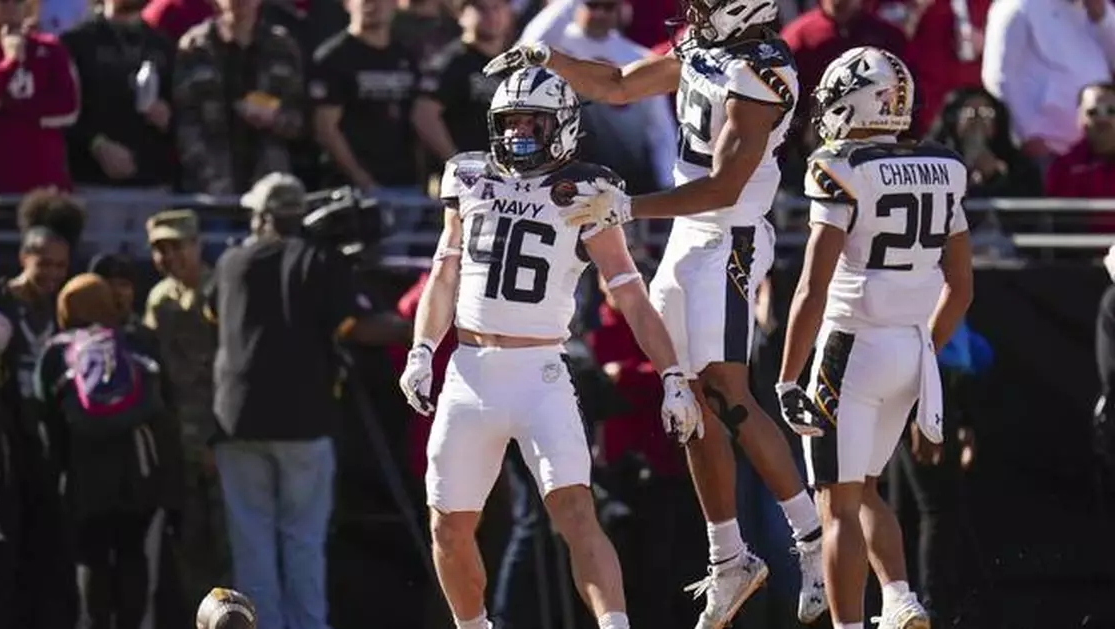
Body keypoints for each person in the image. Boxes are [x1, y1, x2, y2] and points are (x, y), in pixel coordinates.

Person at [481, 1, 827, 625]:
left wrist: (627, 207)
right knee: (688, 402)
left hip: (729, 235)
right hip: (688, 237)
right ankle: (729, 558)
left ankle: (812, 539)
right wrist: (544, 58)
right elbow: (616, 85)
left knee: (726, 390)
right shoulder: (706, 50)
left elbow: (724, 186)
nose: (693, 11)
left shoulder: (764, 69)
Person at [397, 66, 702, 629]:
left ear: (561, 125)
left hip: (540, 371)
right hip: (469, 371)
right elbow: (445, 270)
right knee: (448, 523)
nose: (518, 135)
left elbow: (629, 292)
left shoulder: (588, 187)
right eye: (509, 122)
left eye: (532, 123)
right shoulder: (467, 176)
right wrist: (423, 349)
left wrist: (673, 376)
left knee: (575, 512)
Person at [772, 47, 974, 629]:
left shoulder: (840, 165)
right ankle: (901, 599)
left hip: (850, 349)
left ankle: (849, 624)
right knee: (864, 487)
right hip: (910, 350)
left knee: (835, 505)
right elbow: (960, 287)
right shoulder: (945, 166)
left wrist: (788, 375)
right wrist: (926, 357)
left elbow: (813, 286)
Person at [205, 173, 410, 629]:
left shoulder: (231, 260)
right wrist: (416, 329)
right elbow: (354, 327)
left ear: (259, 216)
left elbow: (213, 312)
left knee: (251, 541)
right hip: (304, 421)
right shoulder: (319, 259)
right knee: (302, 539)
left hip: (236, 419)